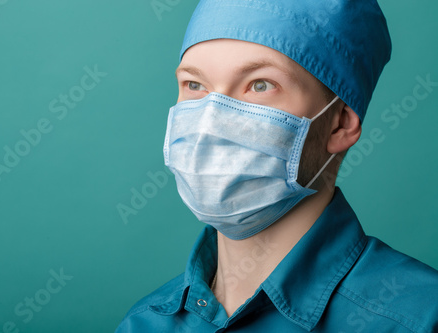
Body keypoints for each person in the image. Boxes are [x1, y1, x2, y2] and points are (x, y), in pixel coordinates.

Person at [116, 0, 438, 331]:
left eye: (260, 85)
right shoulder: (146, 322)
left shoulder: (419, 318)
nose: (209, 121)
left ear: (339, 124)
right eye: (195, 85)